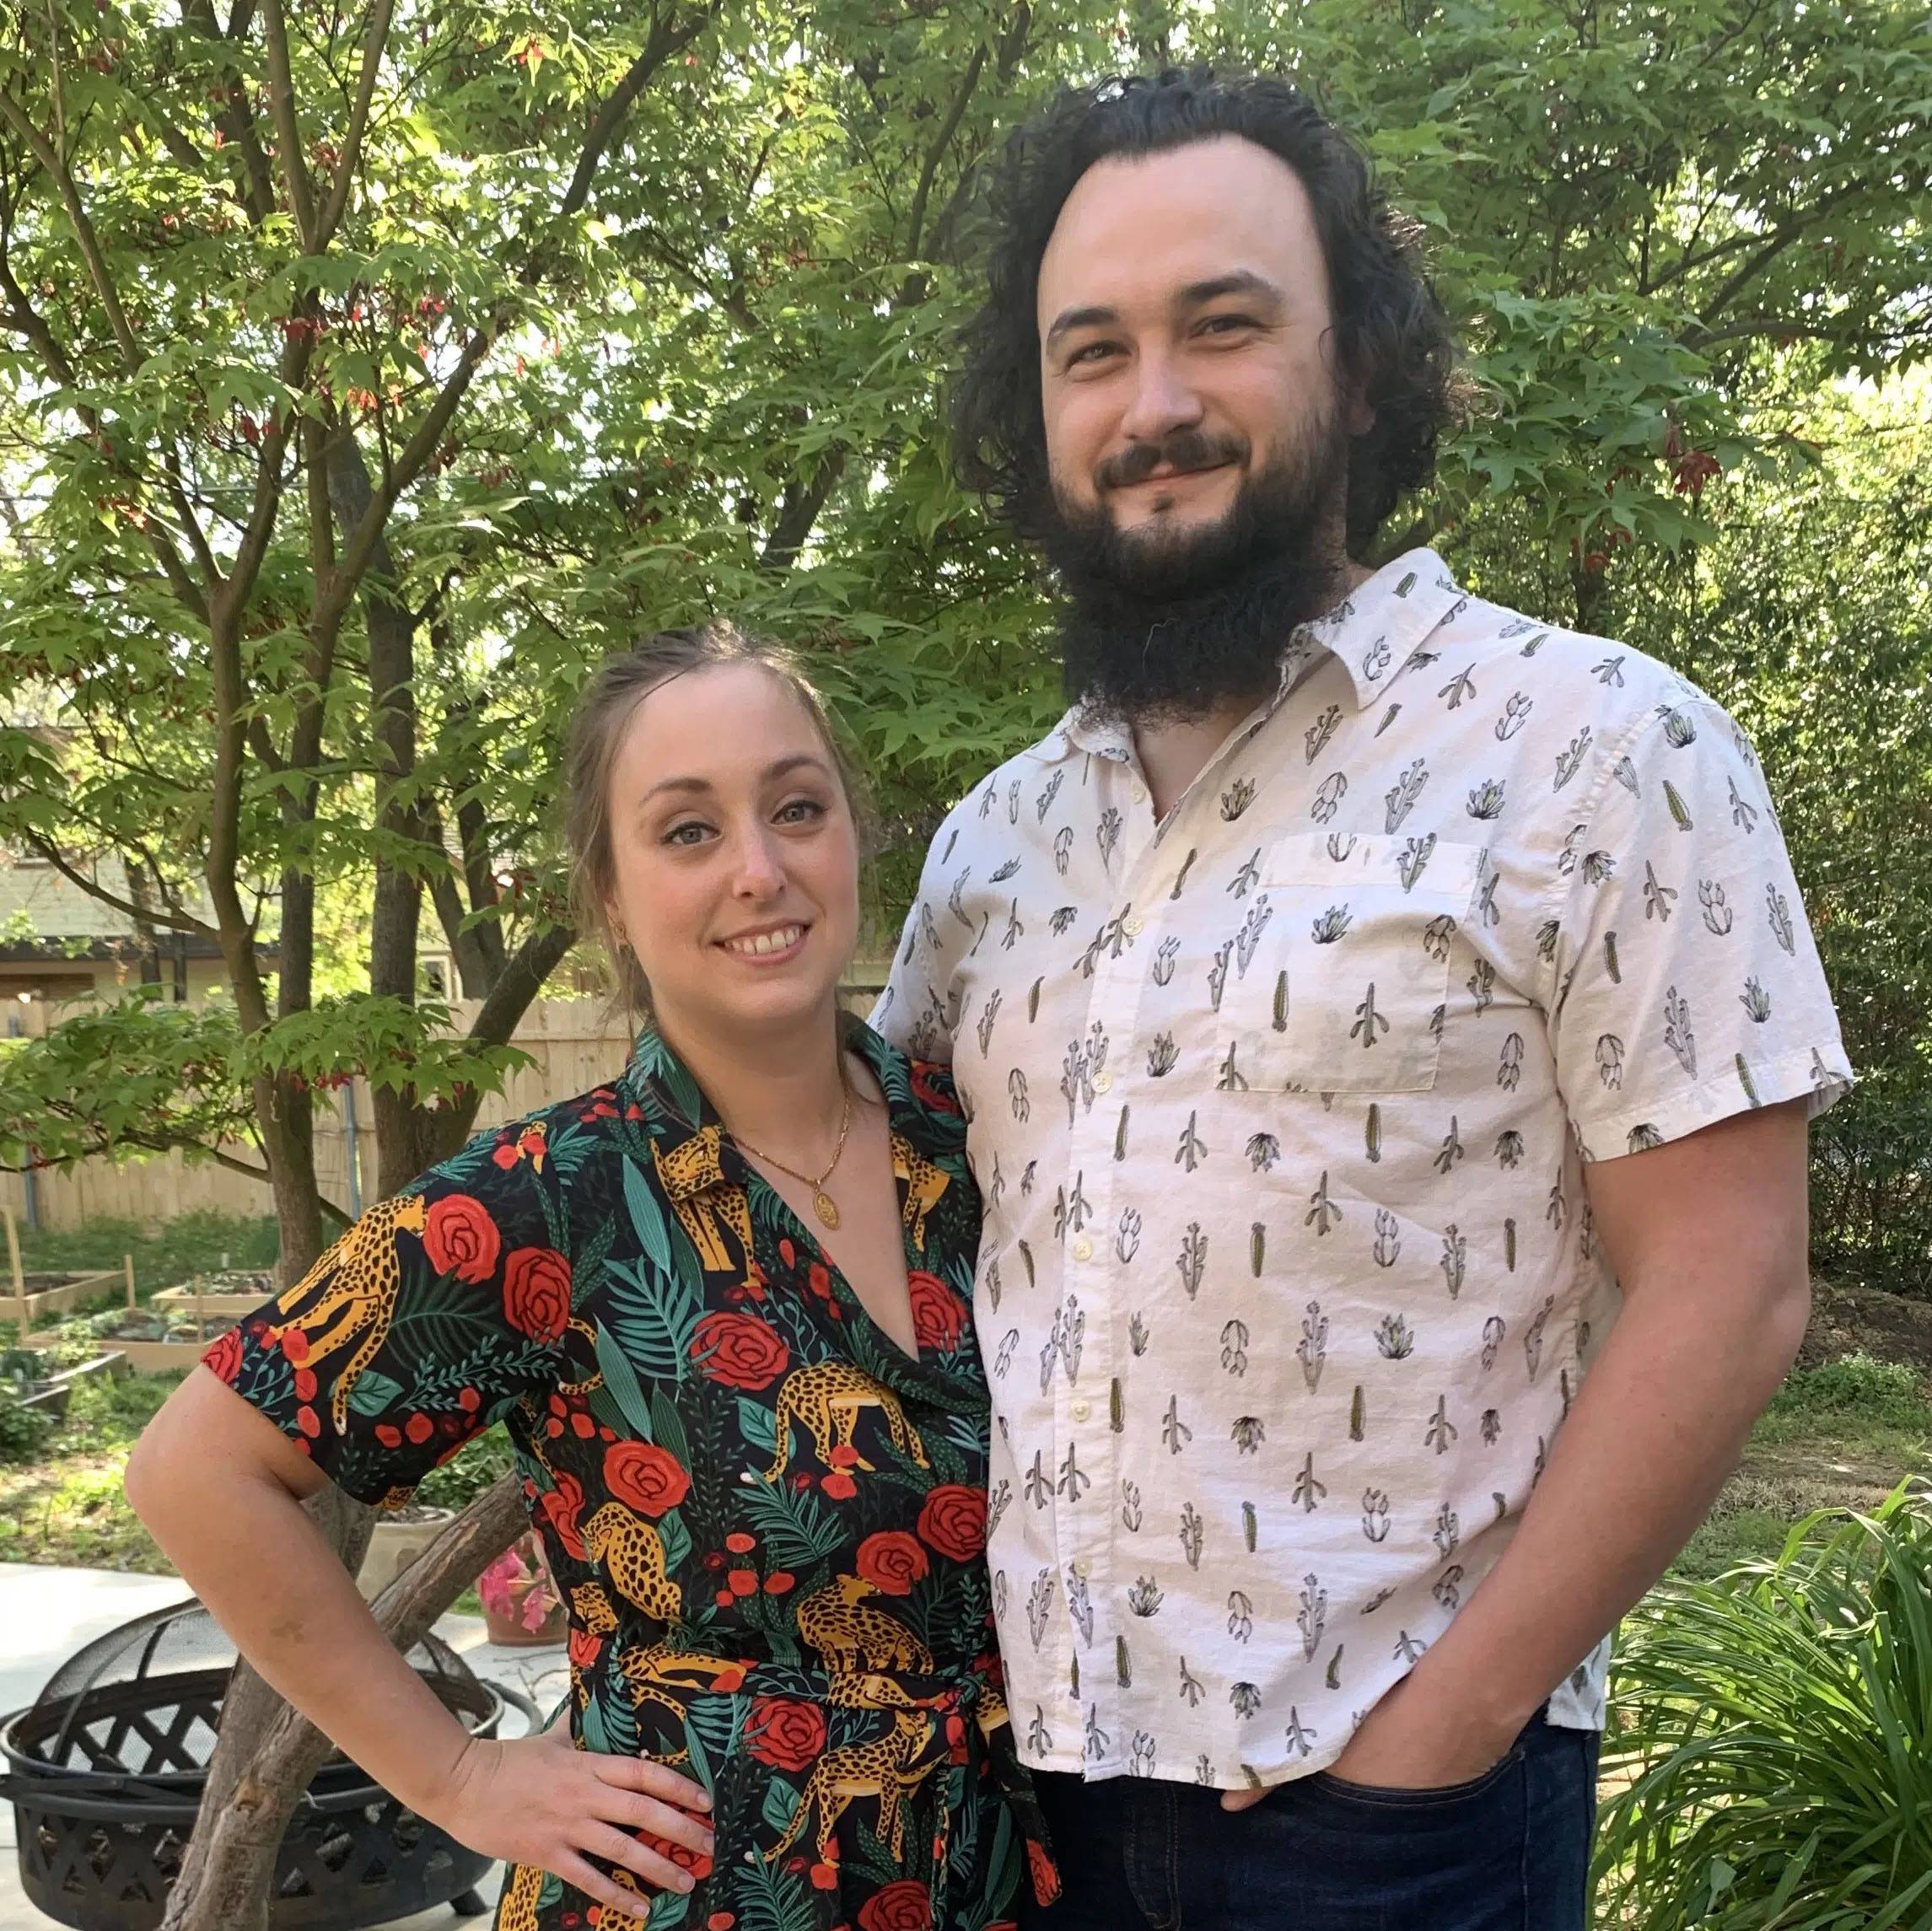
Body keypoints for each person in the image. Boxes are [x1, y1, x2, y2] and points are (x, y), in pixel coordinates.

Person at [872, 67, 1852, 1931]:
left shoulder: (1596, 750)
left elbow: (1733, 1283)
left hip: (1390, 1818)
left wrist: (1447, 1726)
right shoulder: (992, 849)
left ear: (1367, 368)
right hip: (1025, 1792)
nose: (1152, 403)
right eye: (1092, 353)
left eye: (1223, 327)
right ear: (1039, 413)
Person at [128, 624, 1056, 1931]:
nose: (759, 866)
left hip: (1006, 1879)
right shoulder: (547, 1203)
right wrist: (456, 1773)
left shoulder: (984, 1143)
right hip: (700, 1896)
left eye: (798, 807)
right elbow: (194, 1470)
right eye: (687, 830)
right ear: (611, 895)